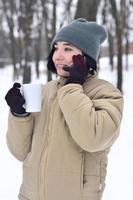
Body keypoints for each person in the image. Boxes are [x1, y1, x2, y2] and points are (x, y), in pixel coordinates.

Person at [5, 18, 123, 200]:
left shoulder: (106, 93)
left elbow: (93, 139)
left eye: (67, 49)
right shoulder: (45, 91)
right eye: (56, 48)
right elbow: (21, 152)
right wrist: (19, 114)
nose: (57, 56)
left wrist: (73, 86)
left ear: (86, 56)